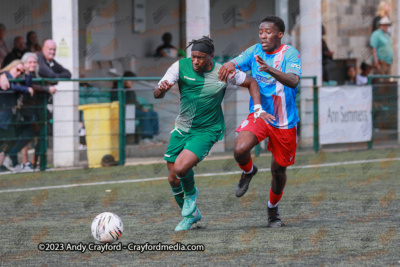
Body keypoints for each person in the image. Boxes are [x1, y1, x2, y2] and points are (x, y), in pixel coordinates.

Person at [154, 36, 268, 231]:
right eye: (193, 57)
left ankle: (191, 195)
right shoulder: (180, 67)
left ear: (211, 57)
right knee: (173, 177)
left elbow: (251, 83)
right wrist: (161, 89)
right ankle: (191, 216)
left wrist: (257, 108)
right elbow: (157, 93)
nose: (195, 61)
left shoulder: (223, 72)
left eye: (200, 57)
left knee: (181, 169)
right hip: (182, 128)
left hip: (207, 130)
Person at [219, 16, 301, 228]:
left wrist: (269, 69)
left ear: (280, 34)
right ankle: (248, 171)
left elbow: (293, 81)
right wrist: (228, 65)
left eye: (269, 32)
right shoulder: (255, 50)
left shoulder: (290, 53)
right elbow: (235, 62)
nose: (263, 36)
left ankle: (272, 209)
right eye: (261, 32)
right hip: (260, 115)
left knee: (278, 171)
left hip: (284, 121)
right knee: (239, 149)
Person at [7, 53, 57, 172]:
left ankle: (39, 164)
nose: (33, 64)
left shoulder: (36, 73)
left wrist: (45, 87)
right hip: (24, 112)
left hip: (37, 111)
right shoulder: (20, 75)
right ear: (24, 64)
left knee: (41, 137)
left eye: (34, 62)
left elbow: (39, 84)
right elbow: (30, 87)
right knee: (24, 137)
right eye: (29, 62)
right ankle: (14, 159)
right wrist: (45, 88)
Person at [0, 60, 34, 172]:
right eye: (17, 69)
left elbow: (28, 86)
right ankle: (10, 164)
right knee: (8, 140)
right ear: (11, 67)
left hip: (8, 116)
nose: (19, 73)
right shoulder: (5, 75)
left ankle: (5, 165)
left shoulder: (14, 79)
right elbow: (9, 87)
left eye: (21, 71)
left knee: (10, 140)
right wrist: (26, 89)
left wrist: (28, 73)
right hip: (3, 115)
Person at [111, 71, 159, 143]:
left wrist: (141, 108)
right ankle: (146, 137)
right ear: (126, 80)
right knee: (146, 114)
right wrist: (129, 89)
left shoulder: (128, 88)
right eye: (131, 80)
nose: (132, 82)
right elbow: (127, 101)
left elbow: (134, 101)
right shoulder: (118, 88)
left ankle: (153, 136)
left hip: (134, 109)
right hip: (125, 110)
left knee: (154, 114)